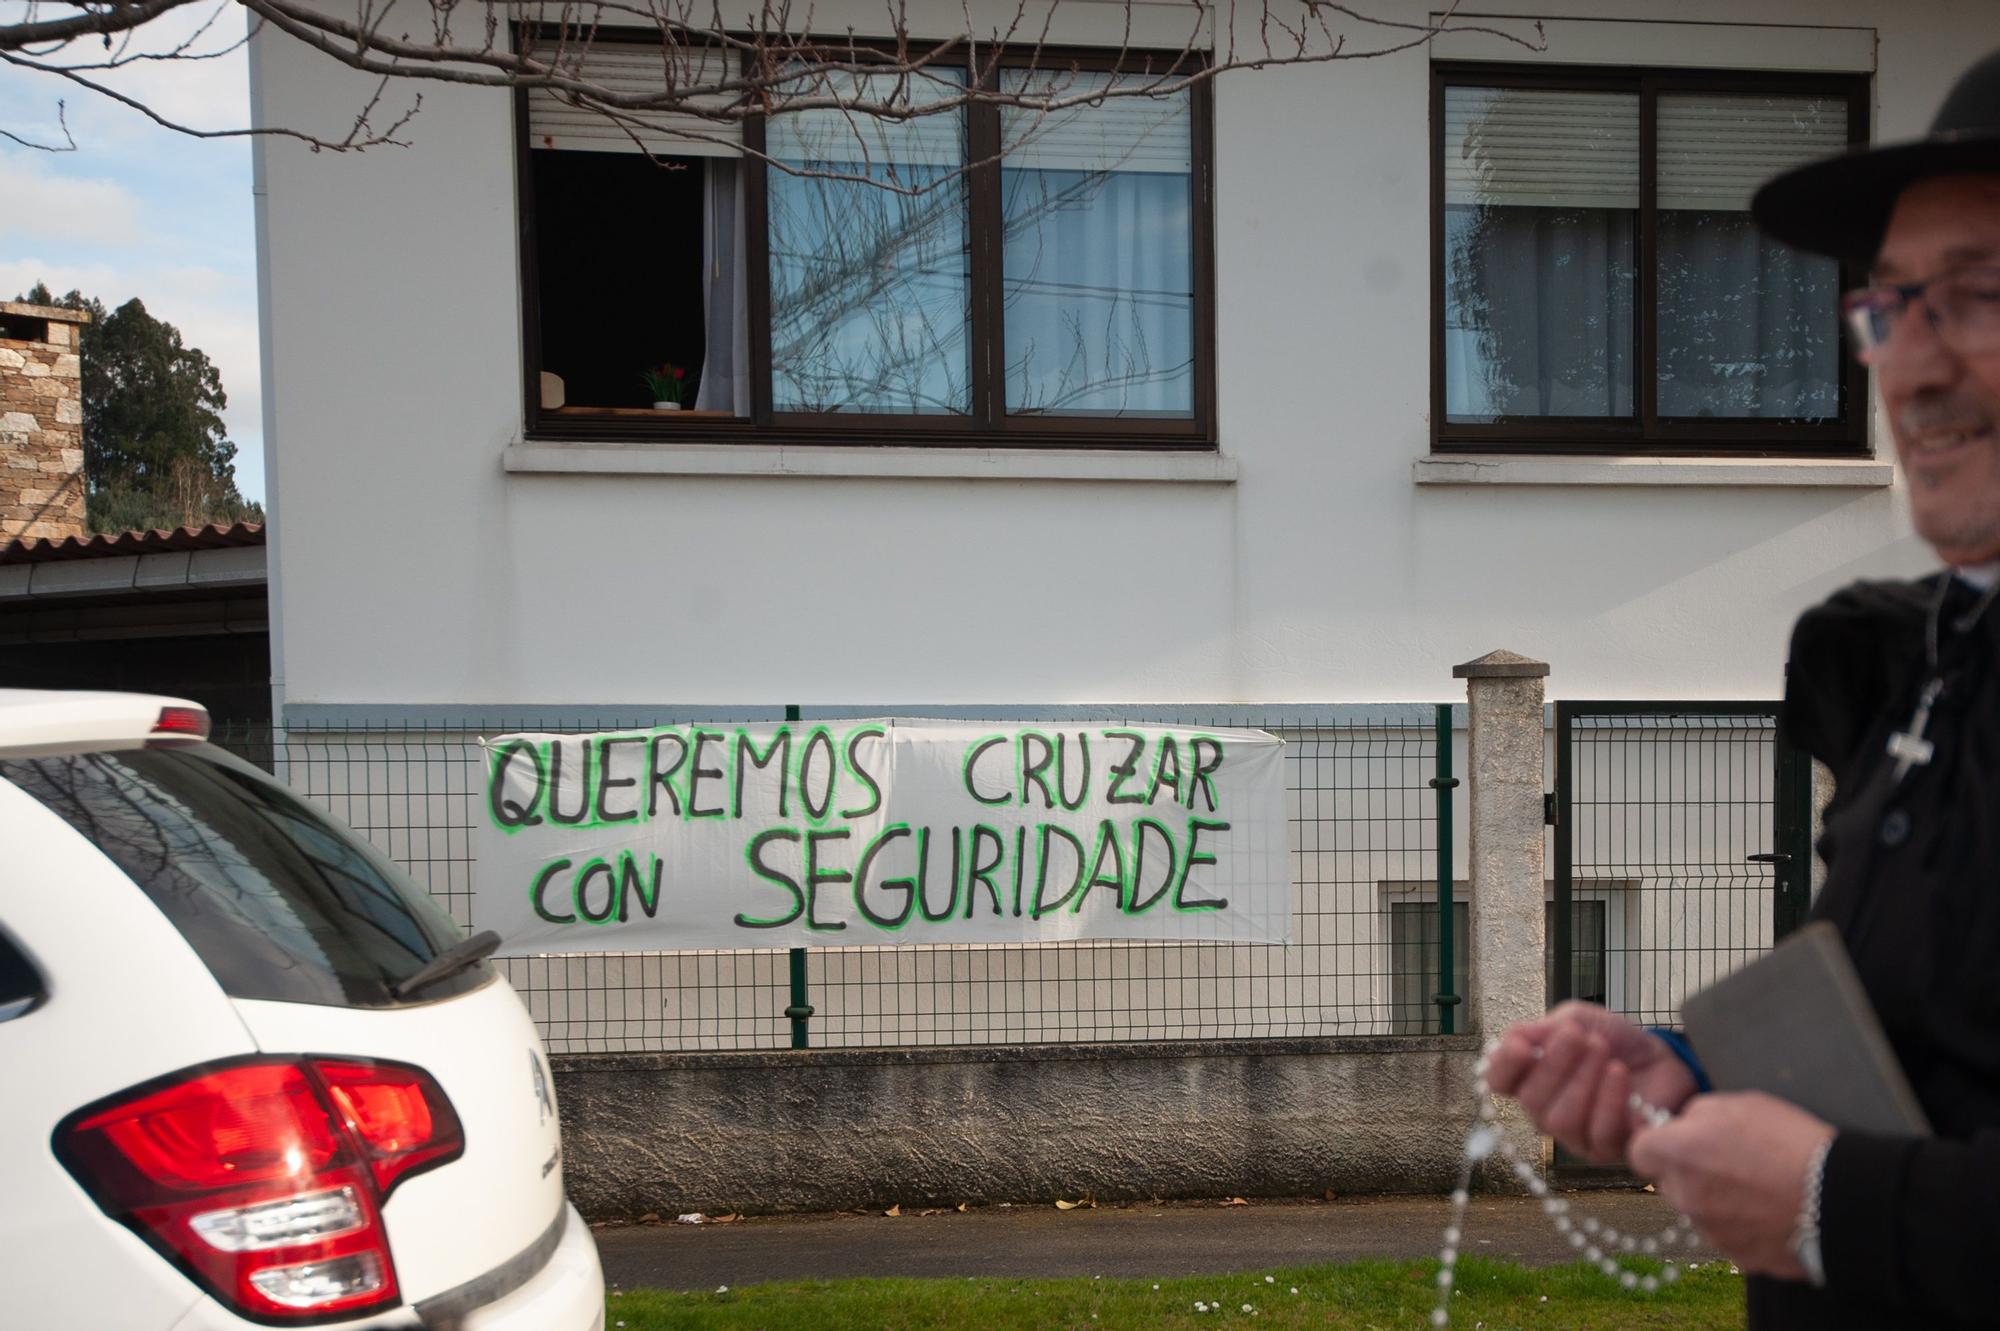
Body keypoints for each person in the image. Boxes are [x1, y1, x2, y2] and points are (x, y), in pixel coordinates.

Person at [1484, 49, 2000, 1331]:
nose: (1909, 369)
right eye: (1889, 305)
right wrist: (1694, 1074)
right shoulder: (1933, 663)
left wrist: (1829, 1198)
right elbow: (1929, 1033)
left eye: (1979, 297)